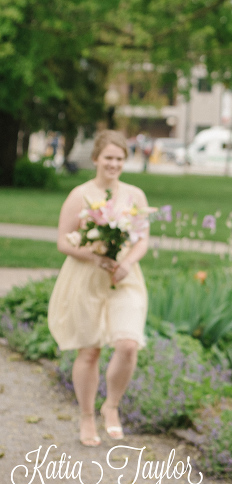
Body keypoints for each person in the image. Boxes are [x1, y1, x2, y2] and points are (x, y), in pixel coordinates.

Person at [48, 130, 150, 447]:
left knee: (128, 344)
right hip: (86, 276)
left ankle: (112, 406)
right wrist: (93, 256)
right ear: (96, 159)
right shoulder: (80, 195)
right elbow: (63, 241)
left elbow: (143, 238)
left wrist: (127, 263)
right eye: (108, 157)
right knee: (90, 350)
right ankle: (87, 416)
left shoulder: (135, 196)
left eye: (119, 158)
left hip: (123, 277)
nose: (114, 164)